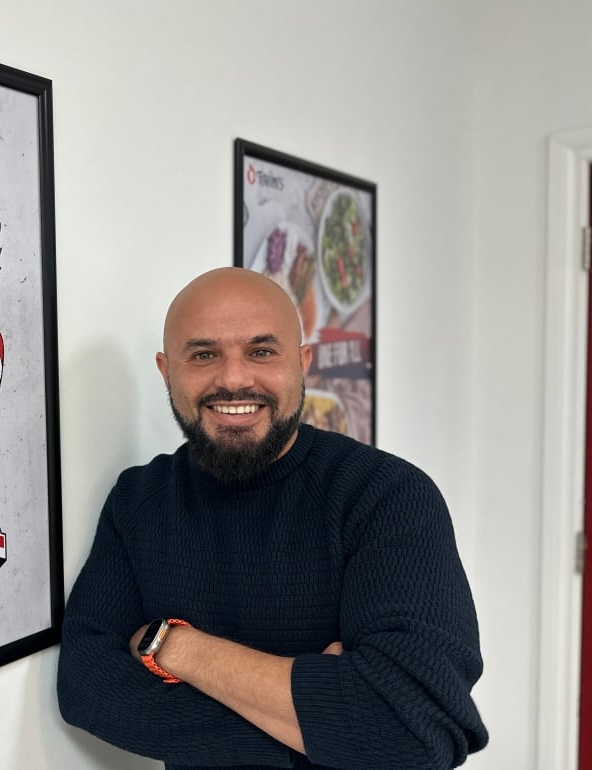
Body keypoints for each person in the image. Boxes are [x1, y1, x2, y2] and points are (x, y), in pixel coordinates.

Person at [56, 267, 487, 769]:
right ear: (166, 370)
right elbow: (85, 687)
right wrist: (315, 722)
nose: (233, 379)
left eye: (262, 352)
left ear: (302, 363)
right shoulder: (139, 500)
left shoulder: (385, 496)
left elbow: (415, 730)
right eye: (203, 354)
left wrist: (175, 647)